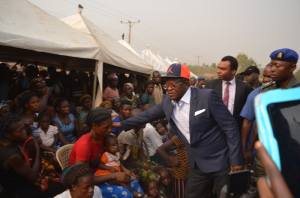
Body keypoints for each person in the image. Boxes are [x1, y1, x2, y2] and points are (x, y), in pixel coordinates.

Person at [116, 63, 244, 197]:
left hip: (221, 160)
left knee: (225, 195)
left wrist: (236, 159)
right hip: (197, 163)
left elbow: (230, 126)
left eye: (173, 85)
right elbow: (146, 115)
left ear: (186, 84)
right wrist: (119, 125)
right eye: (167, 85)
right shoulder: (167, 101)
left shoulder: (207, 96)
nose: (169, 89)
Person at [69, 107, 136, 198]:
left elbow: (112, 157)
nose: (110, 130)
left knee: (133, 182)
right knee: (125, 193)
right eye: (106, 127)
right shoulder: (84, 146)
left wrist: (123, 170)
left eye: (111, 126)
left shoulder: (102, 136)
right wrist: (114, 176)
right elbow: (83, 179)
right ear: (94, 126)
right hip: (85, 181)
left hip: (100, 172)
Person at [253, 48, 299, 178]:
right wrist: (251, 148)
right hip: (265, 156)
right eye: (271, 65)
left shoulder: (297, 92)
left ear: (292, 67)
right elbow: (261, 121)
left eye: (277, 66)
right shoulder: (267, 91)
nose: (272, 69)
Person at [0, 114, 64, 198]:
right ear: (7, 135)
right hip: (20, 191)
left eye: (24, 128)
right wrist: (37, 149)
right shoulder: (12, 156)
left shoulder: (10, 145)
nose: (25, 132)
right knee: (61, 188)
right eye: (20, 130)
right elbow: (33, 176)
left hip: (23, 182)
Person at [205, 56, 252, 131]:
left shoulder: (245, 87)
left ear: (233, 71)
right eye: (218, 68)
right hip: (215, 131)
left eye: (222, 69)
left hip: (236, 130)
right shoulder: (210, 85)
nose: (218, 71)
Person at [240, 64, 272, 168]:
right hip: (256, 149)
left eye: (270, 76)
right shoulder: (255, 95)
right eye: (265, 76)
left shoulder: (286, 93)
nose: (266, 79)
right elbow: (247, 123)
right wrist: (245, 149)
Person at [118, 109, 159, 188]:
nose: (145, 121)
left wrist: (147, 165)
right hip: (127, 163)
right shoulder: (129, 134)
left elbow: (140, 151)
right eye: (141, 119)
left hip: (136, 159)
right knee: (155, 177)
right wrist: (148, 168)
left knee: (161, 169)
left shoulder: (140, 129)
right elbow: (129, 160)